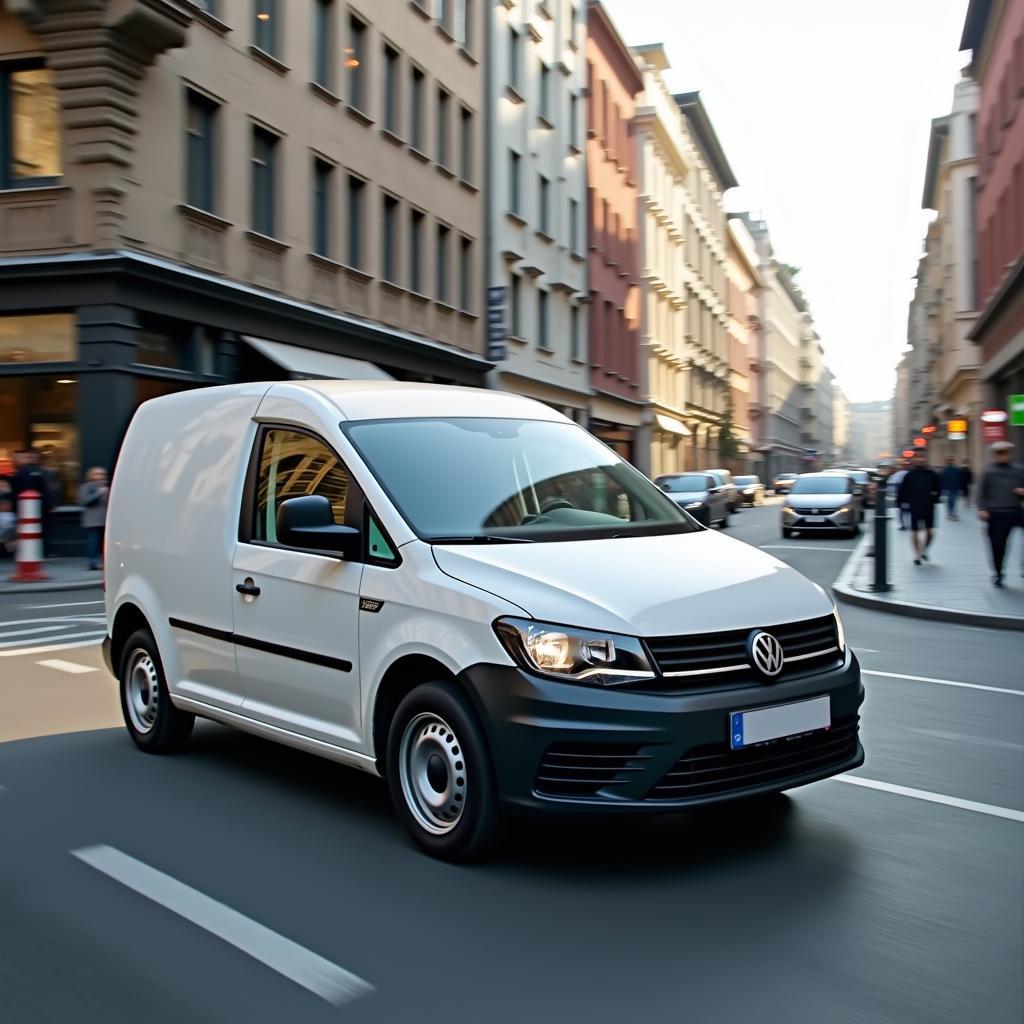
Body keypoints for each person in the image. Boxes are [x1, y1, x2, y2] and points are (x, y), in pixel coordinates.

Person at [977, 441, 1024, 588]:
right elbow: (981, 492)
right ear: (994, 455)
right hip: (996, 513)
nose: (1002, 456)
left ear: (1009, 454)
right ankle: (998, 573)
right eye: (999, 453)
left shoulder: (1019, 470)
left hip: (1016, 510)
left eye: (1004, 452)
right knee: (998, 545)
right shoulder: (989, 471)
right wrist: (982, 508)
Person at [897, 451, 940, 565]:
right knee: (914, 531)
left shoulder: (931, 474)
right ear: (914, 459)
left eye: (922, 457)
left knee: (930, 532)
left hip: (928, 506)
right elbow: (902, 491)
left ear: (925, 459)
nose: (920, 460)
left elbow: (938, 488)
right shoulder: (909, 475)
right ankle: (917, 555)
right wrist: (901, 504)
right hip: (914, 506)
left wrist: (935, 498)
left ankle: (924, 550)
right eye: (918, 457)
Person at [77, 467, 109, 571]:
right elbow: (85, 501)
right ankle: (93, 563)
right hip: (93, 520)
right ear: (91, 475)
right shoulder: (86, 487)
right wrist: (99, 493)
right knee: (93, 542)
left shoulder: (107, 487)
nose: (101, 476)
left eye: (102, 474)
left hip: (105, 520)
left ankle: (105, 562)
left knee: (104, 543)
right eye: (97, 473)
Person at [889, 460, 911, 530]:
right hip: (907, 495)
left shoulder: (898, 474)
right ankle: (908, 523)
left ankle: (903, 524)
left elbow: (892, 484)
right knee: (908, 510)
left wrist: (894, 493)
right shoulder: (909, 473)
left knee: (901, 510)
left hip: (900, 494)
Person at [939, 455, 961, 521]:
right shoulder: (944, 470)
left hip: (954, 488)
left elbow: (959, 479)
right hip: (947, 489)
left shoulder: (956, 470)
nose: (950, 461)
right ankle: (951, 513)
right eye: (949, 460)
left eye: (951, 460)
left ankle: (951, 513)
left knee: (953, 501)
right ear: (947, 461)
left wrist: (959, 488)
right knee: (950, 502)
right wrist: (942, 489)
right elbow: (941, 480)